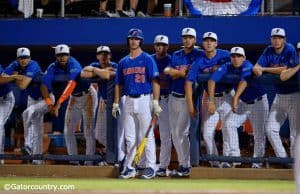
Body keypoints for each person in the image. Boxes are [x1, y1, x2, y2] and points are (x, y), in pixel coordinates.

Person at [113, 28, 161, 179]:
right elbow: (118, 84)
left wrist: (155, 101)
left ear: (140, 41)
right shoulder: (123, 62)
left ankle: (151, 166)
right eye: (131, 38)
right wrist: (115, 103)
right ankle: (130, 167)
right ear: (128, 40)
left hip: (144, 99)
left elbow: (155, 81)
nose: (133, 41)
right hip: (127, 100)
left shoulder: (147, 59)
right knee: (129, 136)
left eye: (136, 38)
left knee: (146, 135)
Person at [209, 47, 269, 168]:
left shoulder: (248, 64)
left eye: (239, 56)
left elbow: (244, 81)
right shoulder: (227, 66)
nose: (236, 58)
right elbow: (212, 79)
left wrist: (235, 98)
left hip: (259, 103)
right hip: (244, 103)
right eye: (233, 56)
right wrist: (211, 100)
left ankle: (257, 163)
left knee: (258, 134)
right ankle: (235, 156)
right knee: (229, 123)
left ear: (244, 57)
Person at [40, 44, 98, 165]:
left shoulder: (74, 64)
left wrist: (58, 104)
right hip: (74, 98)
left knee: (88, 130)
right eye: (59, 55)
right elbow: (44, 84)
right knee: (68, 131)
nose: (62, 57)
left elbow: (71, 85)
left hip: (88, 96)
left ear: (69, 55)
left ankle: (89, 162)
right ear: (56, 56)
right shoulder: (53, 66)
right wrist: (49, 104)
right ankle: (74, 161)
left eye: (65, 55)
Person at [253, 28, 300, 160]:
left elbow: (285, 71)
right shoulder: (268, 50)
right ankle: (285, 160)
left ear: (284, 40)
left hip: (295, 96)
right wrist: (260, 68)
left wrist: (265, 68)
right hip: (279, 96)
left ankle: (296, 162)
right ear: (271, 39)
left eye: (279, 38)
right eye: (274, 37)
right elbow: (256, 68)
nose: (277, 40)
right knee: (270, 129)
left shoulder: (290, 49)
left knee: (295, 134)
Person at [186, 32, 231, 168]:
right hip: (211, 99)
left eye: (212, 40)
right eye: (206, 40)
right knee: (206, 132)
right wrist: (190, 105)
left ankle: (228, 160)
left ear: (216, 43)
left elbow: (241, 63)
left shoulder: (226, 55)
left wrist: (224, 68)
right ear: (203, 44)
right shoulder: (199, 61)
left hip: (228, 96)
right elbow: (189, 82)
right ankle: (215, 162)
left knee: (228, 130)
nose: (209, 43)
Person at [4, 47, 54, 165]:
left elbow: (22, 86)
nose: (23, 60)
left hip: (46, 99)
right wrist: (15, 76)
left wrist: (14, 76)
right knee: (37, 129)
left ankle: (27, 145)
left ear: (30, 58)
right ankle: (37, 160)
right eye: (21, 58)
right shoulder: (14, 65)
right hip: (32, 98)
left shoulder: (33, 65)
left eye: (26, 57)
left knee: (27, 112)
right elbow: (2, 77)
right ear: (17, 59)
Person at [164, 27, 202, 177]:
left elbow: (194, 73)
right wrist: (180, 72)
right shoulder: (176, 54)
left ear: (194, 39)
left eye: (190, 37)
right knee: (175, 134)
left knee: (181, 132)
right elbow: (168, 72)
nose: (187, 39)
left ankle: (185, 165)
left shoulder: (199, 54)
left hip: (188, 98)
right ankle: (183, 165)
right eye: (185, 37)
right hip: (173, 97)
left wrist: (177, 73)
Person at [81, 45, 118, 165]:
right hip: (105, 101)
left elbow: (107, 76)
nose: (103, 56)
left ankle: (118, 157)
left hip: (118, 102)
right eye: (101, 54)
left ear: (110, 55)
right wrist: (98, 71)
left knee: (119, 133)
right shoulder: (95, 65)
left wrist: (95, 71)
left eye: (106, 54)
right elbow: (83, 74)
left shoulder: (115, 66)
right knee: (99, 134)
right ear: (97, 56)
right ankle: (113, 153)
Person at [151, 35, 172, 177]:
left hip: (166, 100)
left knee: (165, 135)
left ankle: (163, 166)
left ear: (167, 47)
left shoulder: (171, 60)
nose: (160, 47)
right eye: (158, 44)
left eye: (163, 45)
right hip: (149, 100)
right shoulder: (149, 59)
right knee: (144, 133)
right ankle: (147, 164)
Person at [0, 64, 22, 164]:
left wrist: (12, 77)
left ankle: (0, 156)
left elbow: (1, 79)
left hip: (5, 99)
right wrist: (13, 77)